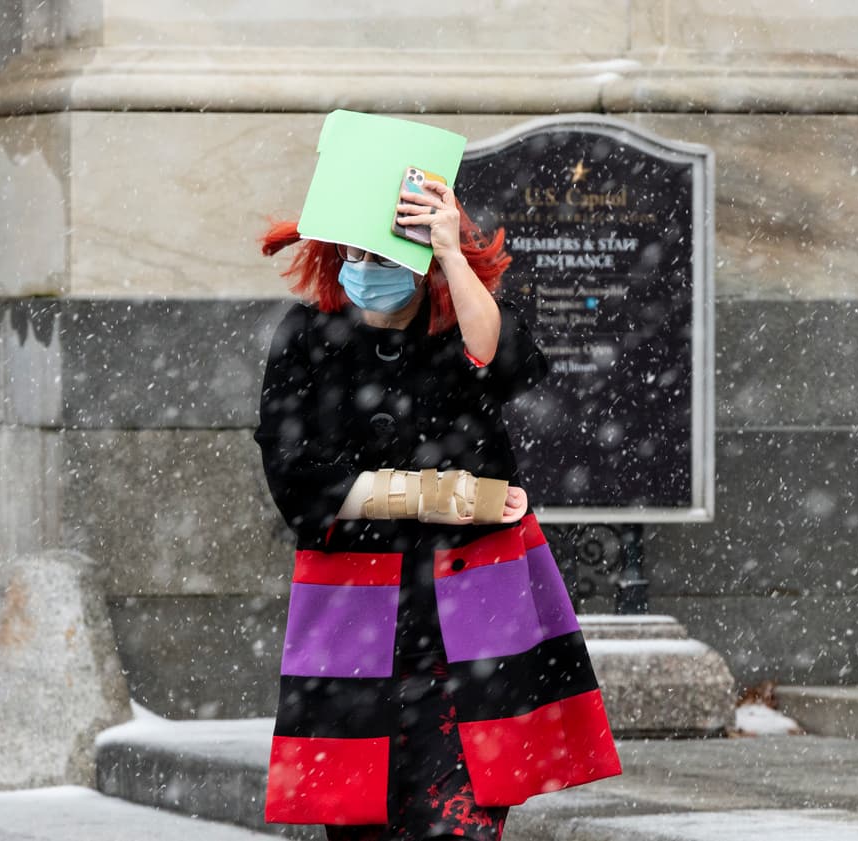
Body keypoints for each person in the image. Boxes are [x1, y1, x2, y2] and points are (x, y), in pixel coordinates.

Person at [256, 178, 622, 841]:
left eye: (388, 258)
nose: (368, 274)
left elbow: (505, 360)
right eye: (355, 256)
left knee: (464, 819)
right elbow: (298, 483)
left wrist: (452, 254)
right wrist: (440, 496)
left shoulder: (459, 326)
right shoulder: (308, 335)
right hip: (358, 617)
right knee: (364, 820)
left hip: (470, 618)